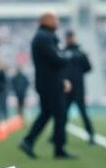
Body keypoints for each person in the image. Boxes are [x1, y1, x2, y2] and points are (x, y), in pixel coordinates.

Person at [19, 12, 74, 159]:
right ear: (46, 21)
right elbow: (57, 59)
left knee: (46, 113)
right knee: (60, 115)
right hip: (50, 84)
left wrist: (63, 77)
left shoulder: (45, 36)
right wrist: (68, 56)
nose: (57, 21)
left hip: (49, 82)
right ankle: (59, 149)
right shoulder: (43, 37)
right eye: (55, 19)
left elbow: (55, 61)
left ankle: (28, 141)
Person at [63, 30, 95, 144]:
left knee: (83, 112)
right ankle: (59, 136)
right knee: (62, 114)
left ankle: (91, 135)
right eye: (68, 37)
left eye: (71, 37)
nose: (69, 39)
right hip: (66, 89)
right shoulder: (63, 52)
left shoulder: (80, 53)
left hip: (78, 88)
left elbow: (88, 68)